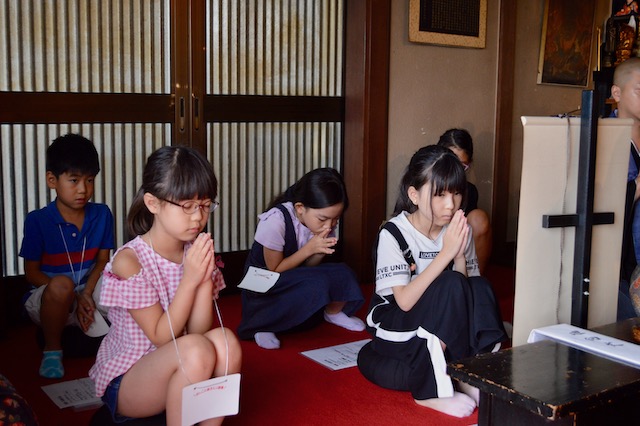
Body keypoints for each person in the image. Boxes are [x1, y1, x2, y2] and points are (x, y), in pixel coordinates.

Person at [89, 146, 241, 425]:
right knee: (195, 350)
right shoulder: (129, 260)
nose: (198, 217)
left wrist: (203, 280)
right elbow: (162, 336)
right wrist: (190, 279)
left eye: (205, 205)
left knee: (226, 341)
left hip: (186, 361)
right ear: (153, 203)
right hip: (129, 379)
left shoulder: (193, 252)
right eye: (187, 206)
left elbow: (197, 332)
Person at [357, 145, 506, 418]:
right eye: (440, 195)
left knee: (480, 287)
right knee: (449, 283)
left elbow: (466, 296)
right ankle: (429, 393)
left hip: (437, 322)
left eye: (456, 193)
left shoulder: (457, 229)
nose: (451, 204)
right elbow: (404, 301)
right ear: (414, 195)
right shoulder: (393, 233)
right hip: (394, 321)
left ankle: (469, 374)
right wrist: (446, 253)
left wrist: (458, 255)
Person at [19, 133, 115, 379]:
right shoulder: (38, 220)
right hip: (52, 296)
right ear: (52, 180)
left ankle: (128, 340)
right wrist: (74, 295)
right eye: (74, 180)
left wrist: (86, 293)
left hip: (89, 292)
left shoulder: (102, 214)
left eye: (89, 180)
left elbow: (103, 261)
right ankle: (52, 350)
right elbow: (31, 273)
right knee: (62, 284)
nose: (83, 189)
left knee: (121, 275)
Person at [237, 167, 365, 349]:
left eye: (336, 219)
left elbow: (309, 268)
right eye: (322, 219)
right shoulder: (276, 220)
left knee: (343, 273)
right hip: (262, 280)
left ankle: (333, 312)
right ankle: (263, 324)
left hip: (293, 274)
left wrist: (318, 252)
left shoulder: (325, 224)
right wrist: (308, 249)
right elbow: (274, 270)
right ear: (300, 208)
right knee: (317, 283)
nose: (329, 225)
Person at [437, 128, 492, 274]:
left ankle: (475, 278)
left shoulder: (469, 191)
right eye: (450, 162)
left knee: (479, 218)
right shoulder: (424, 187)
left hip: (458, 251)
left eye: (461, 166)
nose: (455, 170)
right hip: (426, 251)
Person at [610, 56, 640, 319]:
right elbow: (599, 202)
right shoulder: (602, 137)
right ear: (617, 93)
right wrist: (637, 188)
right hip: (617, 258)